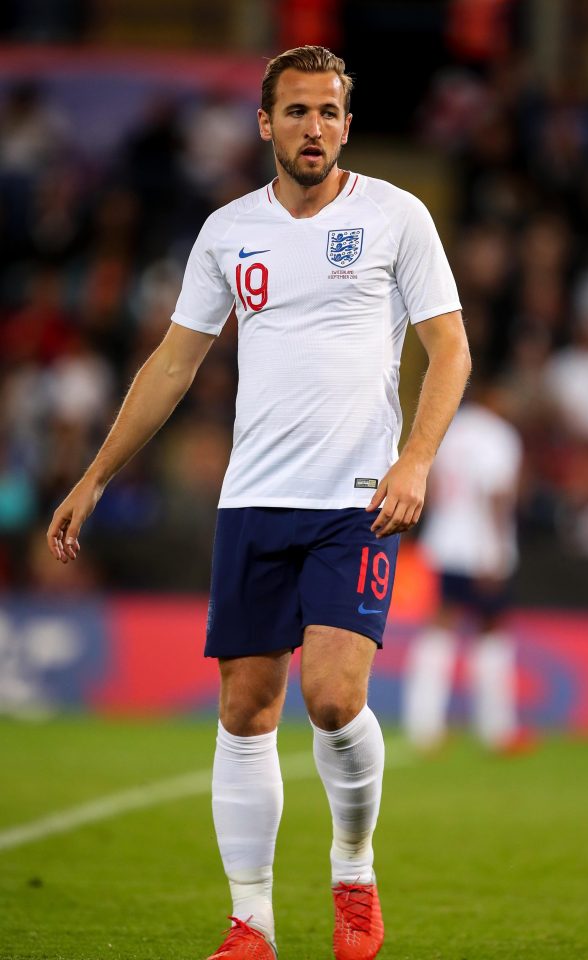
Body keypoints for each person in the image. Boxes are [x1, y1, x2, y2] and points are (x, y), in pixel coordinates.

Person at [47, 46, 470, 960]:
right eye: (296, 111)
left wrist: (417, 460)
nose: (313, 127)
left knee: (331, 694)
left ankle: (353, 874)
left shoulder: (397, 216)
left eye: (328, 112)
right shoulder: (227, 231)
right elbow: (173, 362)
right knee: (244, 710)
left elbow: (451, 350)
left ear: (346, 125)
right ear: (265, 123)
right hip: (254, 499)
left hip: (357, 499)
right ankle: (251, 924)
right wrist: (95, 475)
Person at [402, 381, 528, 753]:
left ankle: (423, 726)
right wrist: (497, 550)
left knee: (440, 626)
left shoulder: (451, 428)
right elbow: (498, 495)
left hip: (445, 541)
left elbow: (435, 485)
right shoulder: (499, 435)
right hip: (480, 548)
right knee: (491, 629)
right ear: (494, 396)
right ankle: (497, 729)